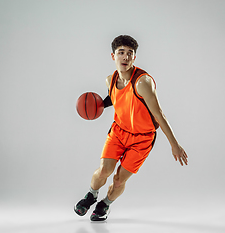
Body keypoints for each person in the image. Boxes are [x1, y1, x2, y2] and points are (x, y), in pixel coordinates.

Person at [74, 35, 188, 221]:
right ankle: (91, 195)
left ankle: (105, 204)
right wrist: (98, 105)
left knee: (119, 180)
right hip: (118, 132)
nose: (125, 57)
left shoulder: (143, 82)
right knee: (104, 170)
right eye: (121, 53)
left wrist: (174, 144)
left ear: (134, 57)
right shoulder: (109, 80)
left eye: (130, 53)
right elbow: (117, 96)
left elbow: (159, 114)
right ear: (113, 56)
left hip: (142, 139)